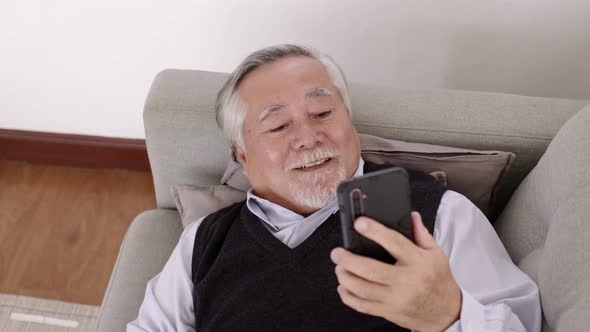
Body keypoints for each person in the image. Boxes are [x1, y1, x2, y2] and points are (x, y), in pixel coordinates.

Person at [128, 44, 541, 332]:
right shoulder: (205, 240)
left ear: (350, 122)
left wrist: (451, 314)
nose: (309, 137)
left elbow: (520, 325)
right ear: (243, 155)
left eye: (323, 111)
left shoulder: (438, 213)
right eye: (278, 124)